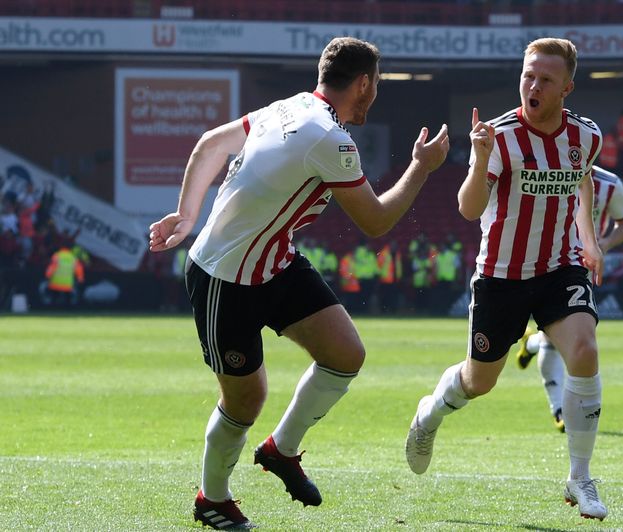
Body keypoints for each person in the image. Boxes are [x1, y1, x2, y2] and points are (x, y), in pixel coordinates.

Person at [147, 37, 449, 530]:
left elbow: (210, 144)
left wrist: (186, 213)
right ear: (365, 84)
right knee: (246, 398)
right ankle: (212, 499)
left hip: (274, 261)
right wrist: (421, 167)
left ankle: (281, 450)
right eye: (377, 86)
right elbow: (375, 222)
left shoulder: (290, 106)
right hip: (225, 275)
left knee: (346, 354)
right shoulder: (329, 139)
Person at [404, 38, 608, 521]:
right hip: (501, 276)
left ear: (567, 89)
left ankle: (580, 477)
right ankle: (430, 412)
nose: (532, 86)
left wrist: (590, 239)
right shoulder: (499, 137)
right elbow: (468, 208)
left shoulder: (587, 136)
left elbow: (581, 179)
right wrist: (477, 159)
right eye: (527, 75)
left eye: (545, 80)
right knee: (479, 383)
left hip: (560, 266)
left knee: (585, 350)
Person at [514, 165, 623, 432]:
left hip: (580, 269)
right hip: (543, 263)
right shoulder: (545, 170)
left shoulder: (611, 184)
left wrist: (604, 243)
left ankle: (532, 346)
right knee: (552, 336)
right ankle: (559, 408)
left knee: (552, 337)